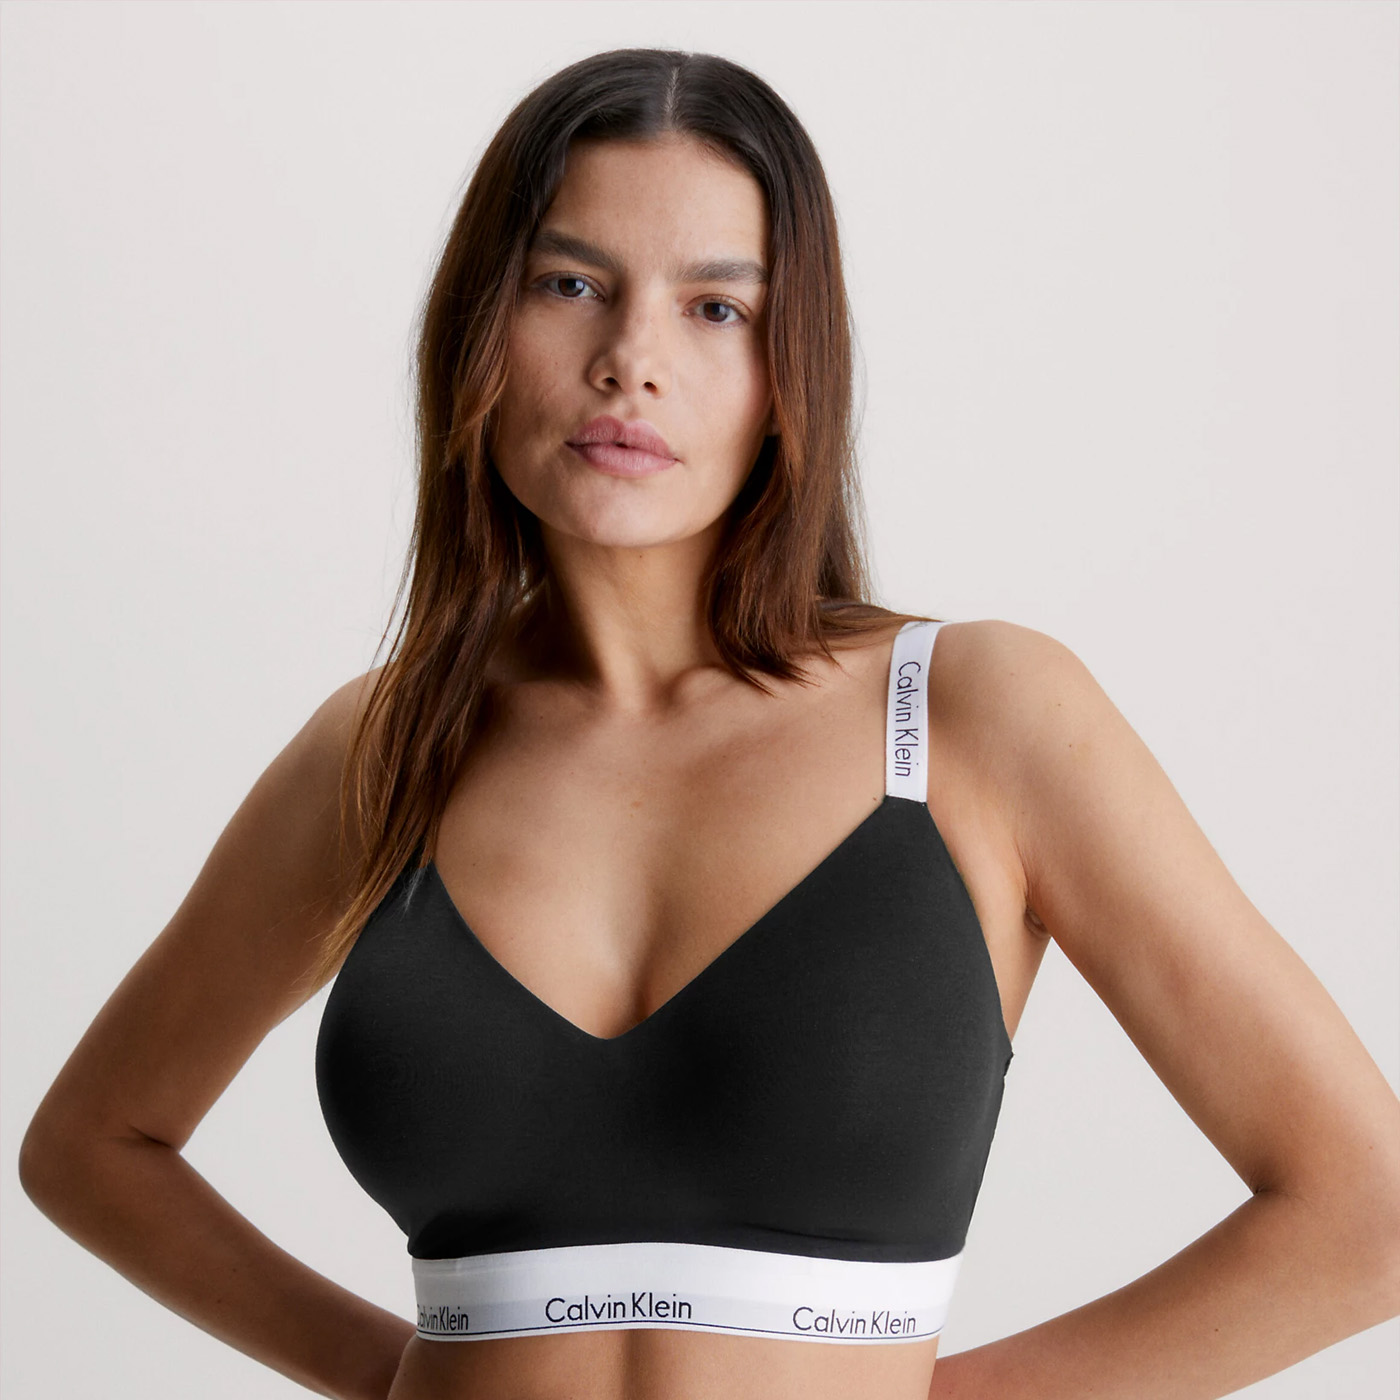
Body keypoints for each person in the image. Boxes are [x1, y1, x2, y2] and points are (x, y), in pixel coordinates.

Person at [18, 45, 1400, 1400]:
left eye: (717, 309)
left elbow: (1368, 1208)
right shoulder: (387, 752)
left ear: (793, 373)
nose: (632, 361)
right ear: (479, 328)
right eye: (570, 284)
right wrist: (385, 1375)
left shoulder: (972, 717)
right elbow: (93, 1145)